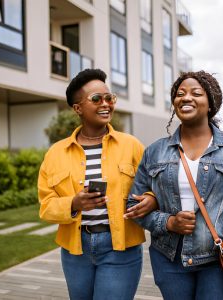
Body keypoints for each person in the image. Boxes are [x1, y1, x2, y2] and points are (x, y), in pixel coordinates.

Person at [126, 70, 223, 300]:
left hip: (221, 258)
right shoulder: (155, 152)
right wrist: (168, 222)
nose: (185, 97)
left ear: (210, 103)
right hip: (170, 259)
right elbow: (132, 205)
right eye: (179, 93)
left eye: (196, 93)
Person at [38, 68, 156, 300]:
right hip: (75, 250)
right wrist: (74, 202)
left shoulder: (131, 146)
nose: (106, 104)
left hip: (121, 248)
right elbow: (46, 206)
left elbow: (156, 185)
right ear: (78, 108)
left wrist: (152, 199)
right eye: (96, 99)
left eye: (109, 98)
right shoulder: (55, 153)